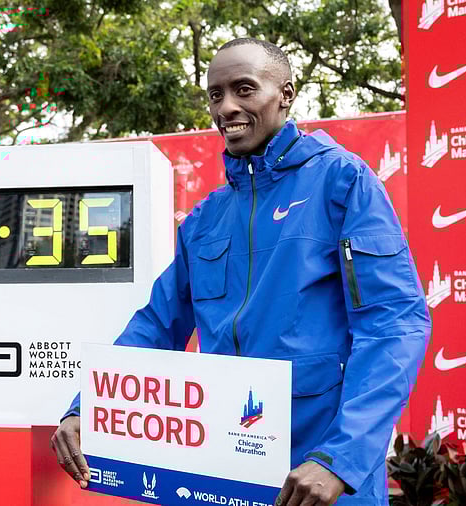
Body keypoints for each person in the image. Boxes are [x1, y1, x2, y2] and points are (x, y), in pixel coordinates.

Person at [50, 38, 431, 506]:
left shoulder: (342, 181)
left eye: (244, 89)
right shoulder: (206, 218)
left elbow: (393, 322)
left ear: (285, 94)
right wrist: (88, 408)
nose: (226, 106)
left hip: (320, 476)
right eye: (215, 94)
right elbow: (156, 325)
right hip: (221, 473)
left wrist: (341, 458)